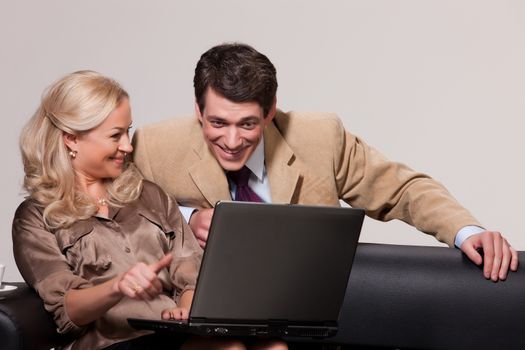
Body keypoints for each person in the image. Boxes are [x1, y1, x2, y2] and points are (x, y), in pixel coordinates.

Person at [132, 43, 518, 283]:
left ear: (270, 112)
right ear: (198, 111)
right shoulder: (154, 146)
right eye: (217, 123)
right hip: (205, 316)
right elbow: (117, 219)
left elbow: (401, 188)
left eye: (247, 124)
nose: (232, 141)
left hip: (304, 312)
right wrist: (183, 218)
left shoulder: (319, 136)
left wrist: (467, 231)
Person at [12, 70, 287, 350]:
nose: (127, 146)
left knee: (272, 345)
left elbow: (189, 268)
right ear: (71, 138)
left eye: (128, 131)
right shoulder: (35, 217)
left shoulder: (148, 195)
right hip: (112, 341)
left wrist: (185, 308)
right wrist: (117, 286)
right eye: (115, 135)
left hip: (174, 332)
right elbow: (67, 309)